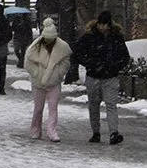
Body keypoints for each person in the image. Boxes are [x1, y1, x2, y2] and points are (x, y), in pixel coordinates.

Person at [77, 11, 131, 145]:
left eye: (104, 24)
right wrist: (90, 63)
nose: (101, 27)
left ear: (109, 24)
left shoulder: (116, 37)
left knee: (111, 104)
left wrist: (114, 67)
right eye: (100, 24)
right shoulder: (89, 36)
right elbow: (77, 53)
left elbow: (125, 57)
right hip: (94, 76)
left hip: (110, 76)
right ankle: (96, 132)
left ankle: (114, 132)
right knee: (93, 105)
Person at [22, 18, 72, 142]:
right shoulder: (35, 47)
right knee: (38, 108)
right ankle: (35, 130)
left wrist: (59, 73)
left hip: (54, 82)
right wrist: (36, 73)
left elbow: (66, 63)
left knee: (53, 108)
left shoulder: (62, 47)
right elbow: (28, 63)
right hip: (38, 81)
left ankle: (52, 132)